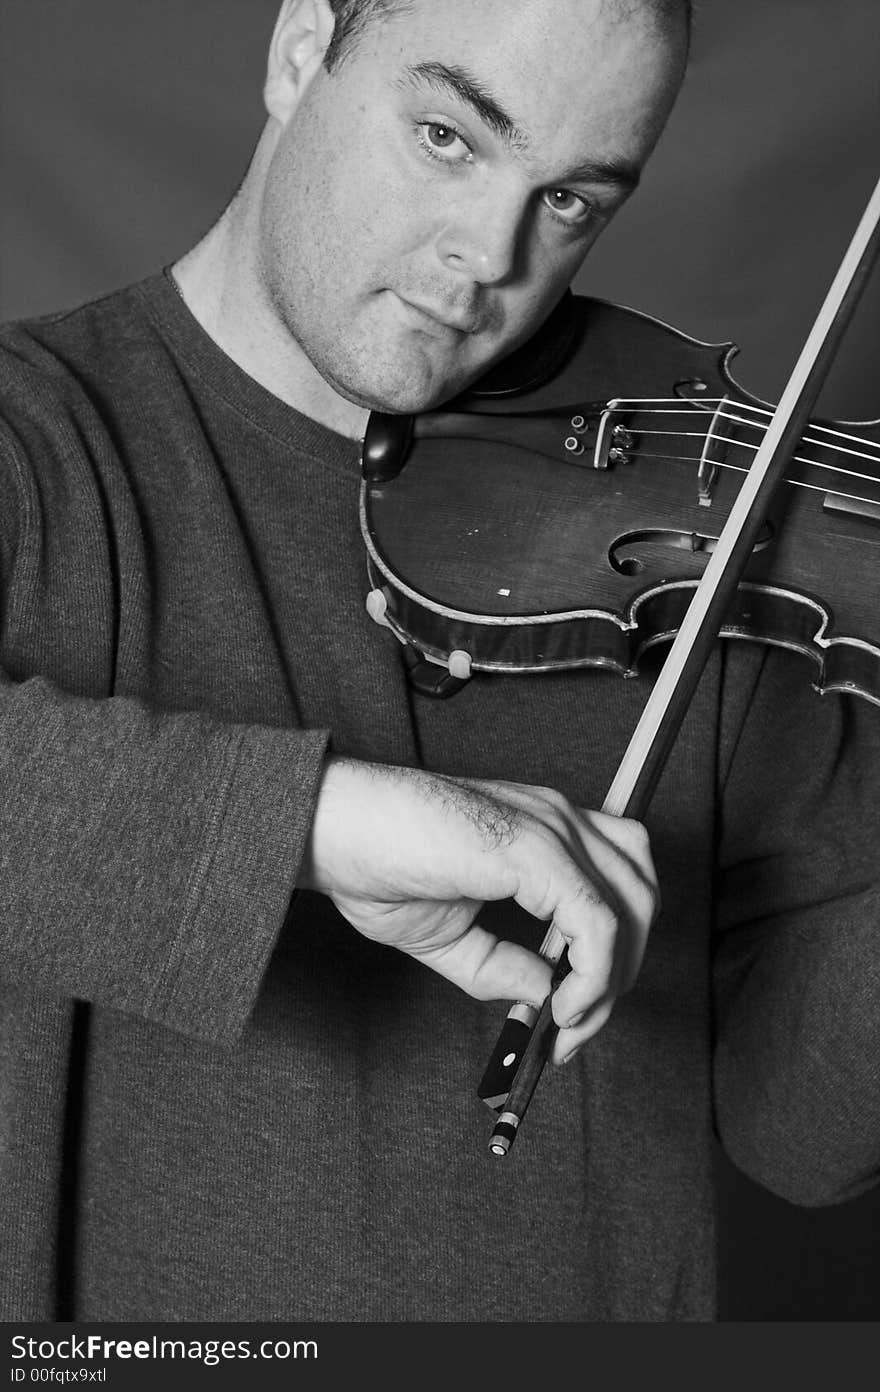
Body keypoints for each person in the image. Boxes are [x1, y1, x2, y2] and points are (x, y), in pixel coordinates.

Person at [0, 0, 877, 1324]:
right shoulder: (33, 446)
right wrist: (324, 820)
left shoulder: (715, 530)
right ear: (305, 47)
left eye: (573, 199)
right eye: (449, 136)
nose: (492, 257)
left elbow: (797, 1134)